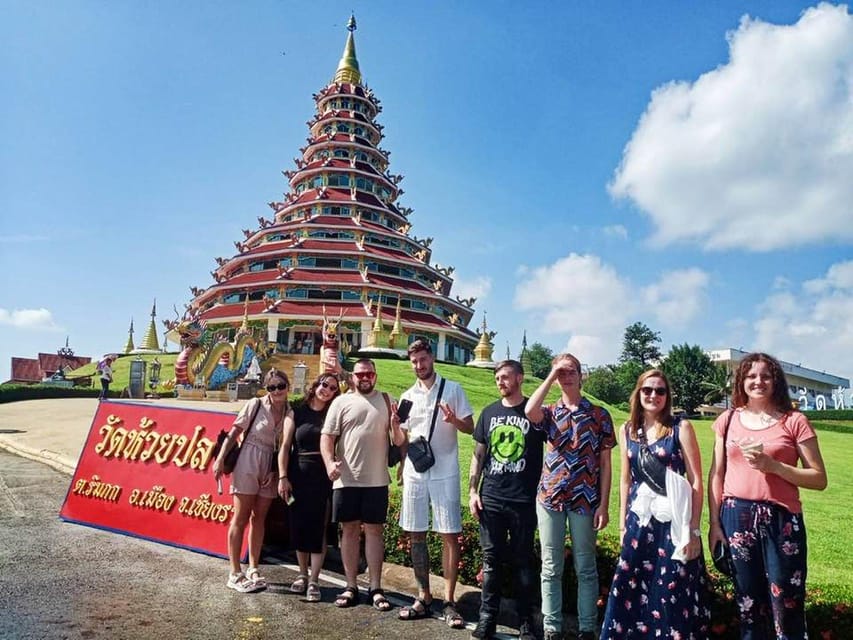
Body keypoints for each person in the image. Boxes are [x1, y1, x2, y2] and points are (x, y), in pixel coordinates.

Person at [708, 353, 827, 639]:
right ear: (741, 381)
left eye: (765, 375)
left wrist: (773, 467)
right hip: (736, 517)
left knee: (786, 601)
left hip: (781, 520)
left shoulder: (794, 421)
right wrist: (714, 524)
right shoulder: (727, 420)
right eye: (750, 376)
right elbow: (716, 474)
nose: (757, 381)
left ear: (775, 381)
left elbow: (819, 478)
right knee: (748, 602)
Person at [600, 369, 710, 639]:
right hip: (640, 523)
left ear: (667, 396)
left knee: (672, 590)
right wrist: (623, 523)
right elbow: (626, 481)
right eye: (647, 390)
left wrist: (693, 530)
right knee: (632, 590)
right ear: (638, 393)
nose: (653, 395)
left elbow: (696, 481)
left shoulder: (680, 428)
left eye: (660, 391)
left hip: (674, 524)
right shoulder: (626, 430)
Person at [525, 353, 615, 640]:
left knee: (585, 566)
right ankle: (552, 627)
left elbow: (606, 463)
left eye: (571, 371)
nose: (567, 377)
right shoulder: (550, 412)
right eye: (562, 373)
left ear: (580, 374)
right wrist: (551, 375)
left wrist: (603, 503)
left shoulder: (599, 415)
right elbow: (529, 410)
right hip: (551, 496)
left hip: (585, 498)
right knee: (551, 566)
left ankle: (587, 627)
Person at [396, 338, 474, 629]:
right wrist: (394, 425)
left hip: (445, 470)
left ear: (432, 357)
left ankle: (449, 601)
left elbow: (471, 427)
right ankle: (423, 595)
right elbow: (401, 440)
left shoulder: (452, 389)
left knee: (449, 533)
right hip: (416, 472)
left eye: (423, 359)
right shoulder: (407, 396)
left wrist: (454, 420)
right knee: (416, 533)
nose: (419, 365)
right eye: (414, 361)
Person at [320, 358, 405, 610]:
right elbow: (327, 437)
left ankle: (376, 587)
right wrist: (328, 463)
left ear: (375, 376)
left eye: (369, 373)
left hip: (376, 479)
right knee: (349, 530)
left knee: (375, 532)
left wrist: (396, 428)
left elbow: (399, 439)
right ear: (352, 377)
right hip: (346, 479)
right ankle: (350, 585)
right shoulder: (341, 401)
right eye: (360, 374)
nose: (364, 378)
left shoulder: (388, 400)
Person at [468, 360, 544, 640]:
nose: (500, 382)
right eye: (497, 377)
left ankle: (526, 621)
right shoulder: (488, 413)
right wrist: (473, 491)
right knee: (491, 561)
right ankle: (487, 618)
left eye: (505, 377)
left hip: (524, 500)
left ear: (520, 378)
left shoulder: (534, 414)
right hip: (492, 498)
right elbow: (478, 455)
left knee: (524, 562)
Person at [212, 369, 294, 593]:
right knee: (241, 517)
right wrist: (220, 459)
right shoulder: (255, 404)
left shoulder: (289, 411)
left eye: (280, 386)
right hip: (249, 457)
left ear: (288, 387)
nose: (276, 391)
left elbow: (285, 445)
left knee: (260, 518)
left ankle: (253, 567)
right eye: (271, 387)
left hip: (270, 464)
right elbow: (234, 431)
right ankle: (234, 572)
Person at [277, 373, 341, 602]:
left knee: (318, 527)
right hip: (297, 475)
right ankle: (302, 574)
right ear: (315, 385)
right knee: (298, 525)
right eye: (324, 384)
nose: (327, 390)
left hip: (323, 477)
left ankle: (314, 579)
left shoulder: (333, 413)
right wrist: (283, 476)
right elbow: (285, 446)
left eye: (333, 388)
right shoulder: (297, 410)